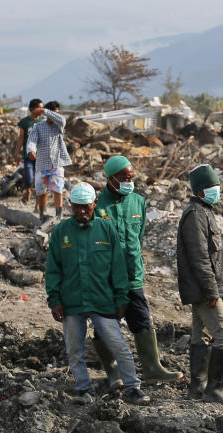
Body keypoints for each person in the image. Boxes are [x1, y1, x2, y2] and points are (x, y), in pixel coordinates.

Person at [45, 182, 150, 405]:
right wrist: (54, 300)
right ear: (70, 205)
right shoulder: (61, 232)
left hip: (102, 301)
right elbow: (53, 269)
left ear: (94, 204)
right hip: (72, 302)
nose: (81, 212)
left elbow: (118, 268)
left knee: (118, 345)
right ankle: (84, 389)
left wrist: (122, 298)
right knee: (74, 349)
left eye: (86, 207)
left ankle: (132, 387)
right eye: (77, 207)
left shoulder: (107, 230)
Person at [91, 154, 183, 387]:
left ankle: (152, 367)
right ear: (111, 179)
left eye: (131, 177)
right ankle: (112, 371)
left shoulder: (138, 202)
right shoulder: (97, 206)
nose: (129, 182)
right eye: (124, 178)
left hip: (132, 275)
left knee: (141, 319)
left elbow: (138, 236)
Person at [175, 164, 223, 406]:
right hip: (204, 288)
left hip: (202, 287)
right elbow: (199, 256)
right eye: (214, 187)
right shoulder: (195, 215)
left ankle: (198, 387)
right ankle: (217, 390)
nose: (218, 191)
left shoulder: (204, 211)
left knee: (201, 334)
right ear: (201, 191)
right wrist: (211, 290)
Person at [26, 100, 71, 222]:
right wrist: (31, 150)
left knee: (58, 189)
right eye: (52, 113)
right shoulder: (38, 127)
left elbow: (61, 119)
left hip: (57, 164)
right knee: (41, 191)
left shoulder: (59, 125)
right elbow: (32, 140)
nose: (54, 117)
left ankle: (58, 215)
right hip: (41, 164)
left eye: (55, 114)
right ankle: (43, 213)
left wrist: (45, 111)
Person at [13, 99, 44, 204]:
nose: (42, 109)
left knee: (40, 181)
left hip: (41, 156)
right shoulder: (25, 122)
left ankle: (38, 204)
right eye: (39, 107)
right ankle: (28, 191)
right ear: (32, 109)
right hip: (28, 156)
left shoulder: (43, 121)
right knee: (29, 178)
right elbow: (21, 138)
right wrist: (16, 153)